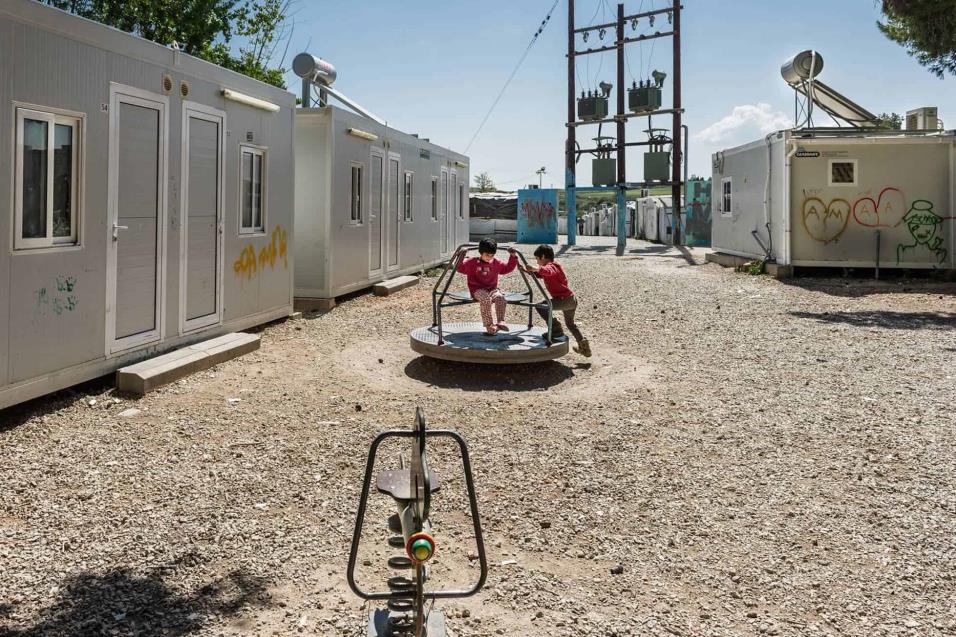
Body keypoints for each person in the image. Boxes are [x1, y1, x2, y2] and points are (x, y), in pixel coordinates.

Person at [521, 244, 592, 357]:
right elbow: (540, 274)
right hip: (570, 300)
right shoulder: (549, 268)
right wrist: (527, 271)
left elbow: (548, 271)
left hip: (565, 300)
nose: (537, 262)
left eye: (537, 259)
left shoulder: (552, 266)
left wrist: (534, 268)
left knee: (541, 306)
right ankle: (584, 347)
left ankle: (555, 328)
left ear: (543, 256)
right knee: (570, 324)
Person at [455, 238, 518, 334]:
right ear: (481, 252)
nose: (489, 257)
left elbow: (507, 268)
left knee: (500, 297)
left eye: (492, 255)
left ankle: (500, 321)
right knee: (485, 299)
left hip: (492, 289)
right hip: (477, 290)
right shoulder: (472, 262)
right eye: (487, 255)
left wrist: (513, 256)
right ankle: (489, 325)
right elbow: (459, 268)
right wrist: (461, 255)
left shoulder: (496, 263)